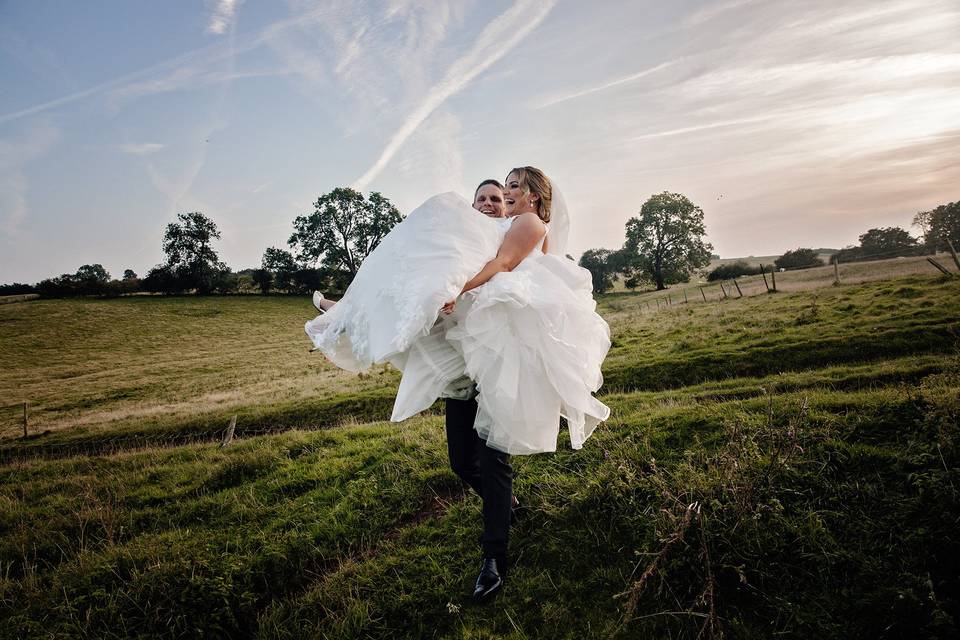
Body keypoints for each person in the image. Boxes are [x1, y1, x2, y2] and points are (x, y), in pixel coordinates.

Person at [305, 167, 610, 602]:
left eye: (513, 187)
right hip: (470, 351)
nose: (505, 193)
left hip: (502, 351)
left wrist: (458, 286)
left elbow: (504, 264)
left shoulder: (528, 222)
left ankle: (494, 560)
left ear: (533, 194)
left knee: (492, 457)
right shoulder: (494, 226)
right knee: (461, 460)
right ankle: (504, 510)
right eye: (502, 187)